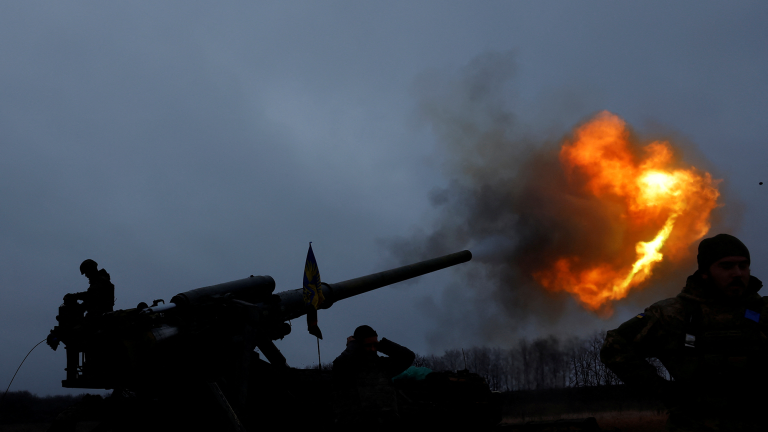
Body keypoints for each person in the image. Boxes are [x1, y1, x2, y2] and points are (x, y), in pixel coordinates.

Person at [600, 234, 766, 431]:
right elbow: (614, 346)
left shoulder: (763, 311)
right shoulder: (674, 314)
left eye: (743, 266)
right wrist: (664, 391)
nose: (737, 273)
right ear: (705, 272)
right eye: (726, 266)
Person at [332, 325, 415, 427]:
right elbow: (339, 365)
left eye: (375, 345)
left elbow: (408, 357)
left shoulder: (384, 366)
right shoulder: (349, 369)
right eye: (368, 345)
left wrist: (383, 345)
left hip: (389, 424)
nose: (372, 349)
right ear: (358, 345)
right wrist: (352, 345)